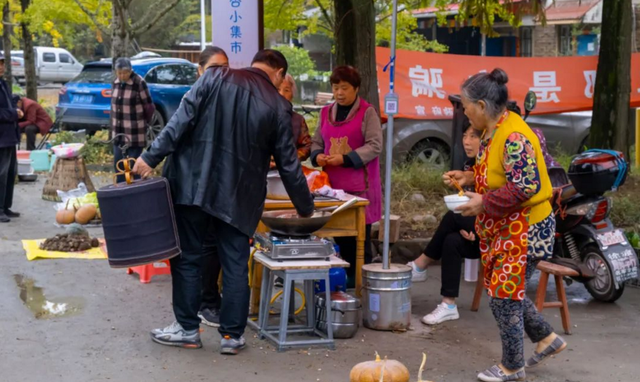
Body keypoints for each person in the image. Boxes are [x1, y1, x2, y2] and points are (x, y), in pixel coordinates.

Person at [132, 49, 314, 355]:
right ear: (279, 74)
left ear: (254, 64)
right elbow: (289, 165)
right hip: (239, 197)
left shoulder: (214, 77)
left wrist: (149, 157)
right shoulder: (279, 107)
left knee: (188, 257)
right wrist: (306, 206)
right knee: (234, 264)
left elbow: (178, 123)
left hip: (191, 187)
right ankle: (232, 337)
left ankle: (187, 330)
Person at [448, 69, 566, 382]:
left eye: (465, 105)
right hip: (510, 227)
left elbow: (525, 187)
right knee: (505, 292)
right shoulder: (493, 129)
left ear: (482, 106)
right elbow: (502, 174)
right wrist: (470, 178)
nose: (464, 111)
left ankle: (513, 366)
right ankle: (547, 339)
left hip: (527, 229)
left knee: (503, 295)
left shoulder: (514, 136)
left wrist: (482, 203)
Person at [310, 65, 382, 288]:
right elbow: (316, 142)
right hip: (332, 188)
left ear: (356, 88)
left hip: (361, 187)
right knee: (338, 235)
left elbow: (375, 145)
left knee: (360, 239)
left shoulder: (367, 112)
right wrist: (318, 156)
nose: (339, 93)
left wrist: (345, 158)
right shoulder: (325, 113)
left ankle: (362, 285)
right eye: (335, 87)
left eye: (345, 88)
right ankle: (343, 282)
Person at [407, 125, 482, 325]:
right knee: (452, 240)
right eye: (465, 135)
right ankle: (448, 304)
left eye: (473, 137)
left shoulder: (499, 165)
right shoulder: (472, 165)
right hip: (476, 234)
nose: (467, 141)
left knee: (452, 216)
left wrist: (480, 229)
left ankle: (420, 264)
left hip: (499, 235)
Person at [195, 45, 230, 328]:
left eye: (224, 70)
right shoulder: (194, 98)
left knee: (216, 245)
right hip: (197, 187)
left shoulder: (230, 99)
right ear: (200, 72)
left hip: (223, 185)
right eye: (213, 69)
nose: (219, 76)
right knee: (206, 245)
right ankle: (206, 302)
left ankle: (210, 300)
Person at [110, 57, 155, 183]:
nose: (122, 75)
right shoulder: (115, 82)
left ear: (130, 71)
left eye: (125, 73)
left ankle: (134, 195)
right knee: (119, 168)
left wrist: (144, 122)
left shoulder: (139, 83)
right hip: (118, 133)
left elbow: (149, 106)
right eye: (119, 73)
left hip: (135, 133)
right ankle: (120, 195)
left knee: (133, 167)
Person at [0, 57, 23, 223]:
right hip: (1, 136)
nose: (1, 67)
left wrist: (14, 106)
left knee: (10, 172)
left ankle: (6, 205)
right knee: (1, 173)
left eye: (2, 63)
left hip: (9, 135)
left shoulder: (3, 83)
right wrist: (14, 114)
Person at [274, 74, 311, 164]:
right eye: (278, 89)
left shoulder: (298, 119)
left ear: (292, 94)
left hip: (289, 170)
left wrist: (290, 158)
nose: (282, 94)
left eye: (286, 90)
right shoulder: (259, 116)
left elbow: (307, 146)